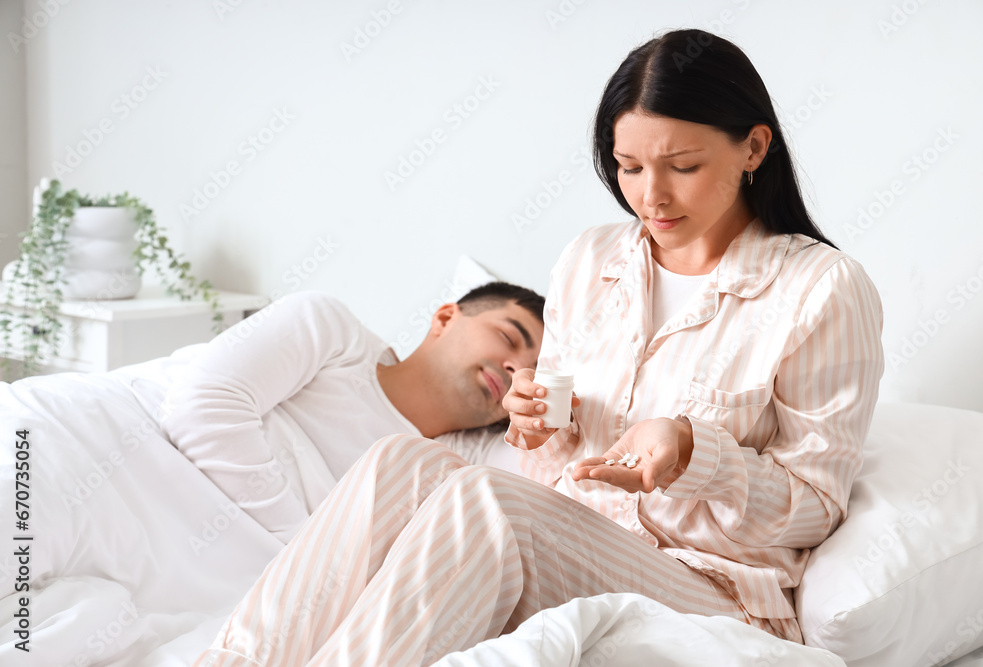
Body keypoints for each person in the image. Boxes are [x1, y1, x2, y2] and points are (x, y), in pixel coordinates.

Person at [194, 28, 884, 666]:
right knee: (400, 460)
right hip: (573, 542)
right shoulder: (591, 260)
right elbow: (550, 458)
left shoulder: (820, 290)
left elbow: (815, 504)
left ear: (754, 148)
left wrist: (694, 452)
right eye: (630, 167)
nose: (652, 196)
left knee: (491, 505)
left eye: (682, 165)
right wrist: (535, 423)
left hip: (712, 590)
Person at [161, 281, 544, 542]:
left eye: (534, 371)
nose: (517, 370)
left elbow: (552, 486)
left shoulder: (464, 464)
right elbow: (199, 407)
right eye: (508, 338)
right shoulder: (332, 334)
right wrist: (298, 551)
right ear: (445, 319)